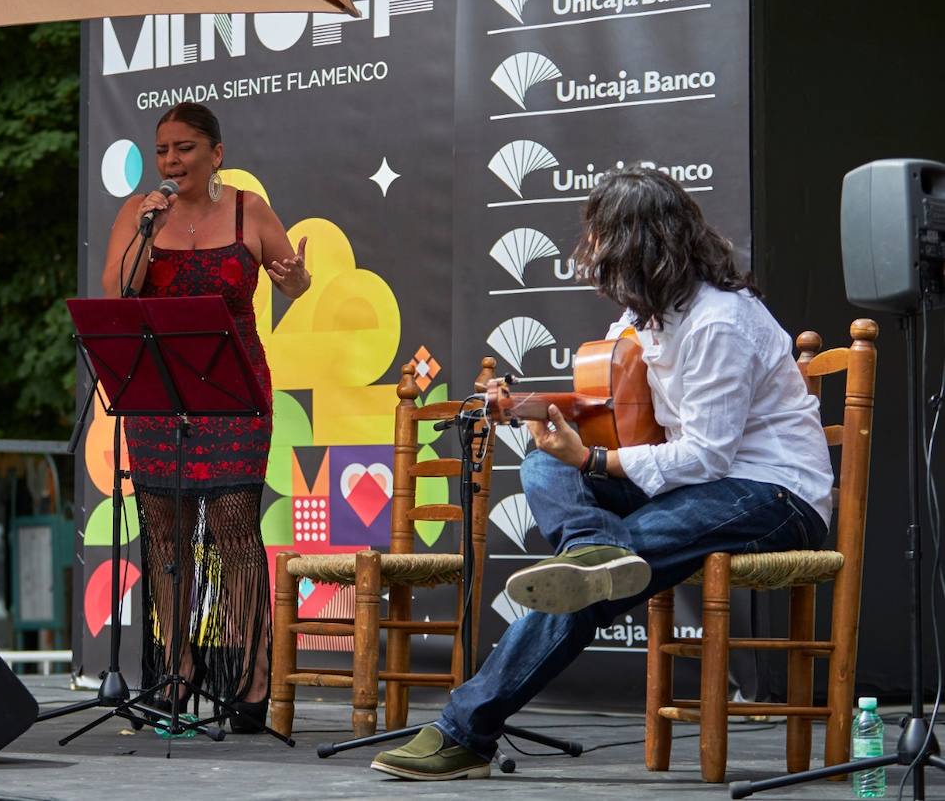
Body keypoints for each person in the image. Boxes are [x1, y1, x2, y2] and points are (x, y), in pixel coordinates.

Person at [371, 165, 833, 780]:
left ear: (636, 246)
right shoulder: (644, 317)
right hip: (700, 483)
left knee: (589, 580)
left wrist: (590, 459)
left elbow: (706, 457)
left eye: (599, 241)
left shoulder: (719, 320)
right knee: (544, 467)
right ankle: (591, 549)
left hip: (773, 495)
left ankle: (465, 731)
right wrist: (533, 411)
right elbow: (605, 408)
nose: (588, 255)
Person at [101, 102, 311, 731]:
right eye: (164, 149)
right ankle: (178, 668)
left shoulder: (249, 209)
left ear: (216, 153)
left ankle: (250, 677)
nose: (172, 161)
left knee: (233, 527)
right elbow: (117, 295)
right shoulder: (140, 212)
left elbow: (294, 282)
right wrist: (145, 228)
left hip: (233, 390)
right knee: (165, 534)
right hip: (159, 392)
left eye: (186, 148)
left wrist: (295, 277)